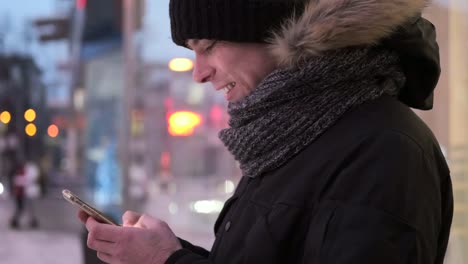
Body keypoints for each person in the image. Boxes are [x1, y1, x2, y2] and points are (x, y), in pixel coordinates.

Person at [79, 0, 453, 263]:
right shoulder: (290, 136)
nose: (199, 72)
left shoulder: (382, 150)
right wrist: (165, 253)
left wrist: (165, 262)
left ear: (273, 32)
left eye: (207, 46)